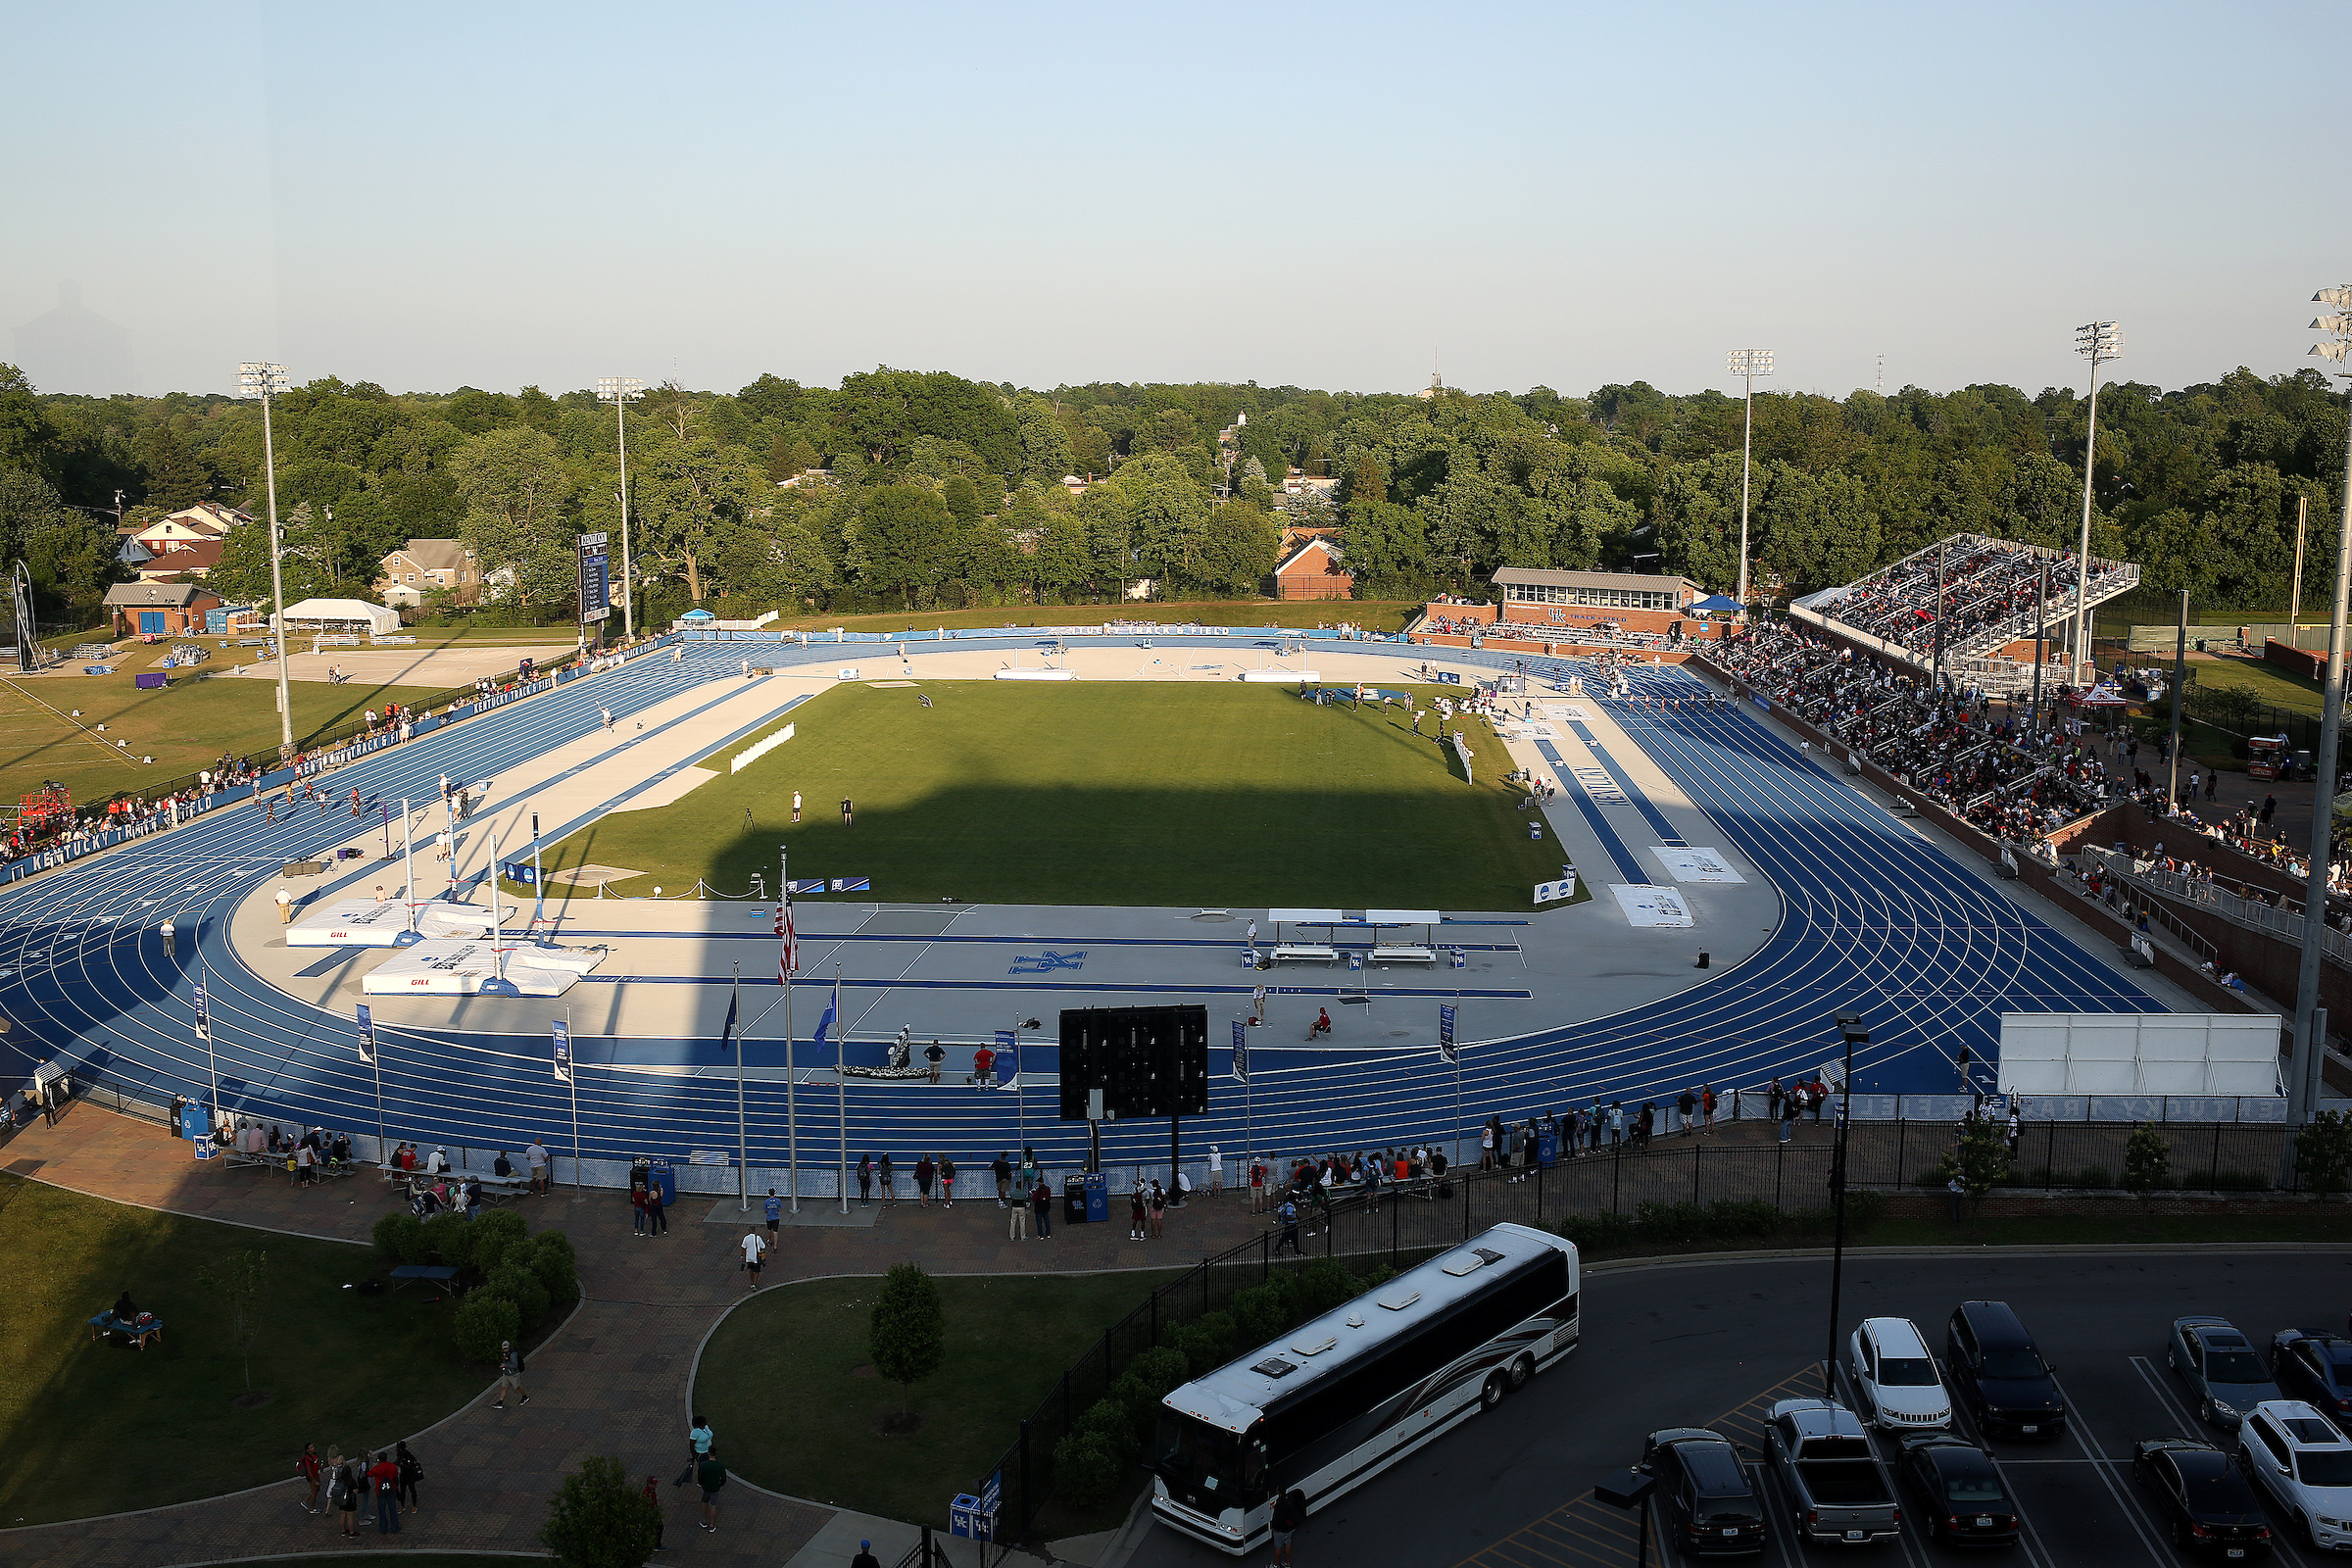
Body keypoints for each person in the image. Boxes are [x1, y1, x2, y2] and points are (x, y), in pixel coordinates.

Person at [1271, 1486, 1307, 1567]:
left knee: (1278, 1546)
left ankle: (1275, 1565)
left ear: (1278, 1491)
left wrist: (1275, 1528)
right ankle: (1287, 1563)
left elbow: (1278, 1518)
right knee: (1288, 1543)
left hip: (1282, 1529)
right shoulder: (1290, 1498)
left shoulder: (1280, 1503)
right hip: (1290, 1527)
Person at [368, 1449, 403, 1535]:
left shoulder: (377, 1469)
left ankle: (383, 1528)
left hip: (380, 1492)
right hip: (391, 1490)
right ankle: (394, 1527)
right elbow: (395, 1477)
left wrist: (373, 1466)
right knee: (393, 1509)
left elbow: (369, 1474)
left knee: (382, 1510)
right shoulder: (392, 1466)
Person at [675, 1415, 715, 1486]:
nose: (707, 1422)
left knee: (710, 1466)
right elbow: (691, 1445)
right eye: (705, 1421)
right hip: (701, 1453)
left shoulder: (706, 1427)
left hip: (709, 1451)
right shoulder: (695, 1432)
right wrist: (694, 1456)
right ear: (701, 1423)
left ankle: (709, 1478)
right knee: (703, 1468)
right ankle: (701, 1481)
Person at [696, 1450, 727, 1534]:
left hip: (706, 1488)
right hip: (715, 1488)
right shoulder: (720, 1465)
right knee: (713, 1506)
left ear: (708, 1453)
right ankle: (712, 1525)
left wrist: (702, 1484)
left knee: (704, 1503)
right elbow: (723, 1478)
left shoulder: (703, 1465)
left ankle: (704, 1520)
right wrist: (720, 1485)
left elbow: (700, 1477)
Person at [494, 1340, 528, 1408]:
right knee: (504, 1387)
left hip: (513, 1374)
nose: (505, 1350)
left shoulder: (512, 1354)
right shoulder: (505, 1354)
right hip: (506, 1374)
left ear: (509, 1347)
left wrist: (505, 1366)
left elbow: (515, 1365)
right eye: (504, 1349)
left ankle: (525, 1397)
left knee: (517, 1386)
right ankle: (500, 1401)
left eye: (506, 1348)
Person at [296, 1442, 324, 1514]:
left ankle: (305, 1501)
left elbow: (316, 1465)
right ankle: (312, 1508)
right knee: (314, 1492)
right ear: (307, 1450)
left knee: (316, 1490)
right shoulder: (307, 1459)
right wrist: (314, 1481)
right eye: (311, 1448)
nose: (313, 1448)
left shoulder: (314, 1455)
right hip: (311, 1477)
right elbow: (309, 1471)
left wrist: (320, 1467)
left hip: (315, 1475)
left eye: (313, 1447)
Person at [395, 1440, 422, 1514]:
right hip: (402, 1475)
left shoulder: (408, 1455)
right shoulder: (399, 1454)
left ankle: (414, 1506)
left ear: (400, 1448)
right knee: (402, 1490)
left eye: (397, 1447)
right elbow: (397, 1461)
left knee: (412, 1489)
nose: (396, 1448)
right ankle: (402, 1505)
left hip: (410, 1475)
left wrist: (400, 1464)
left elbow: (409, 1466)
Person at [642, 1473, 666, 1553]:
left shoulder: (652, 1491)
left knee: (659, 1528)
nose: (656, 1485)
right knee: (655, 1529)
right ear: (649, 1484)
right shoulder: (646, 1493)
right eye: (654, 1484)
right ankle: (654, 1546)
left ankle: (656, 1545)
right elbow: (646, 1506)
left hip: (654, 1512)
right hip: (651, 1514)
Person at [1032, 1174, 1054, 1239]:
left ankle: (1040, 1235)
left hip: (1039, 1208)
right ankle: (1048, 1233)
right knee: (1047, 1220)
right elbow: (1049, 1197)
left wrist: (1033, 1194)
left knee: (1039, 1222)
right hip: (1046, 1207)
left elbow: (1035, 1199)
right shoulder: (1047, 1189)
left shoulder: (1038, 1191)